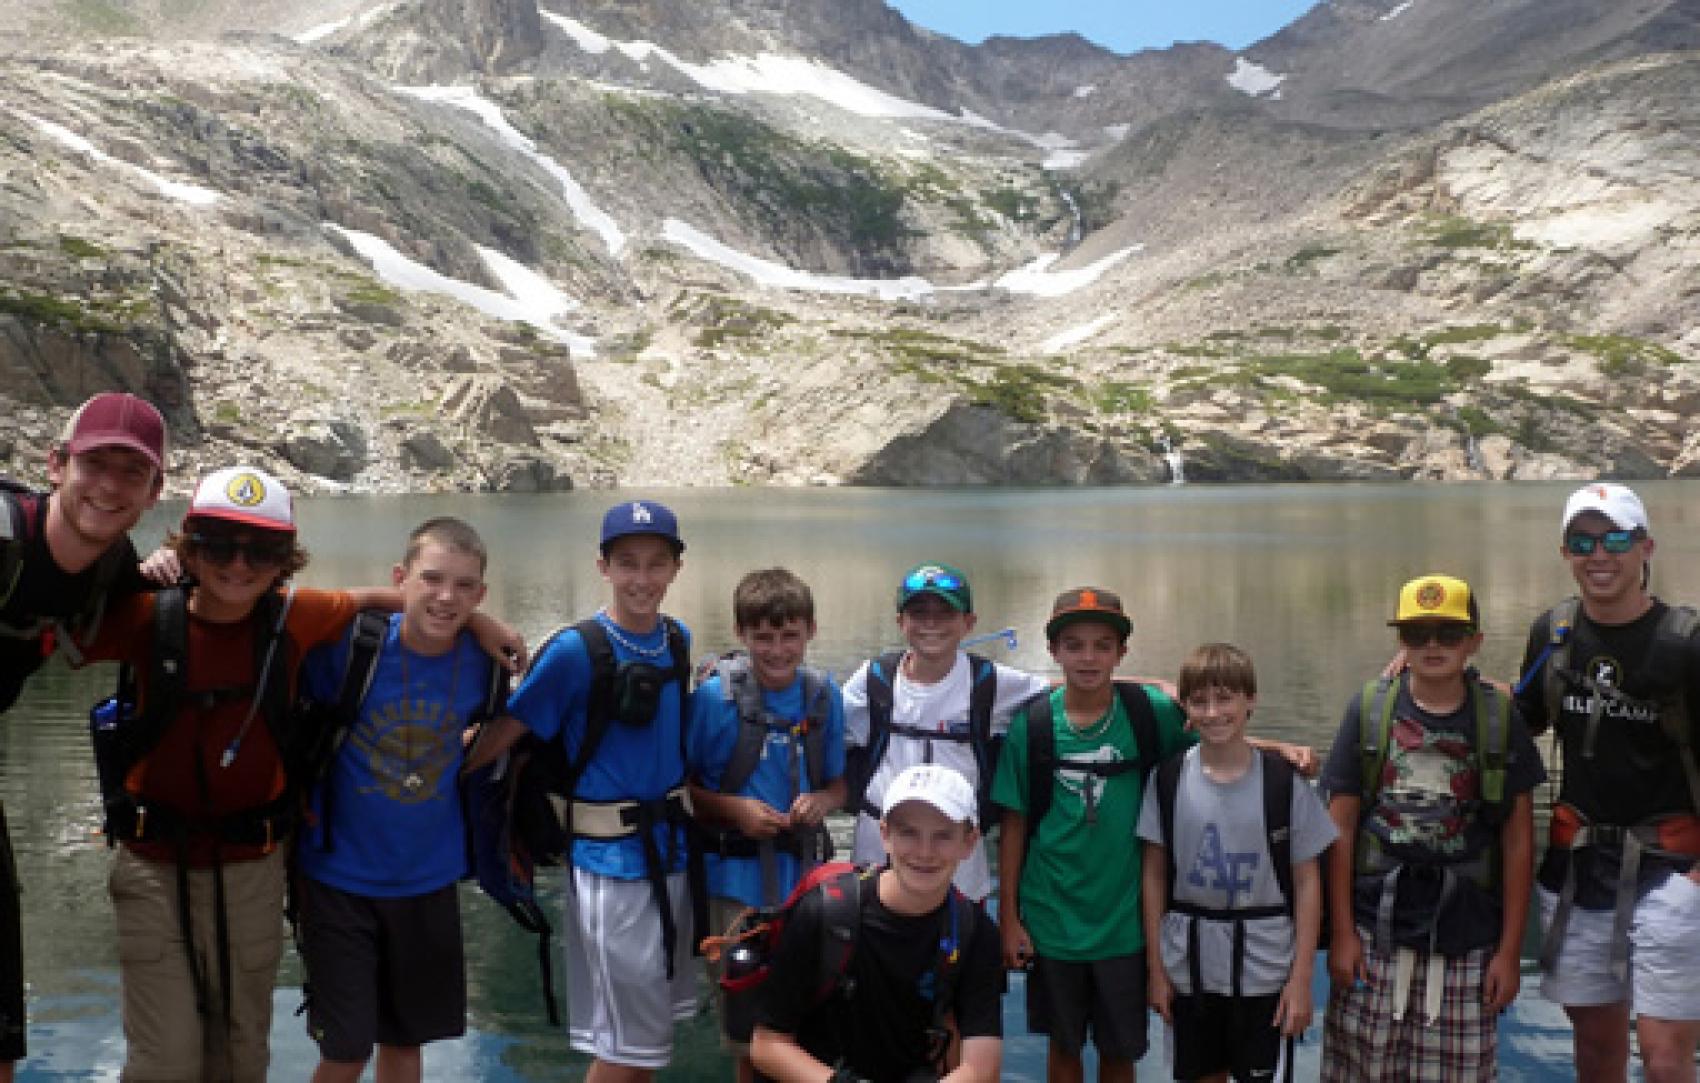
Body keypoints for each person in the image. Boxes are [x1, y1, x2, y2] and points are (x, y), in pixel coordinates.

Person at [74, 466, 518, 1081]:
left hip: (265, 864)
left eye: (260, 549)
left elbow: (388, 603)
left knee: (244, 1049)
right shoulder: (151, 615)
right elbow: (59, 621)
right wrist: (134, 572)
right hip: (171, 862)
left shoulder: (296, 617)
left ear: (284, 558)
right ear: (190, 545)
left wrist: (475, 619)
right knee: (171, 1056)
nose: (238, 563)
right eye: (219, 544)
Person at [473, 499, 697, 1080]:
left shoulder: (677, 640)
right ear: (603, 567)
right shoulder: (575, 651)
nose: (642, 579)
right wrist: (427, 766)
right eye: (627, 563)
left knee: (646, 1042)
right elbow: (505, 737)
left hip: (671, 858)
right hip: (607, 867)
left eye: (655, 563)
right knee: (628, 1047)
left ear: (676, 567)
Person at [295, 518, 503, 1083]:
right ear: (399, 579)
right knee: (344, 1050)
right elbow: (283, 613)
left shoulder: (486, 665)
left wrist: (480, 626)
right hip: (337, 878)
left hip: (427, 881)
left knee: (406, 1045)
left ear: (481, 594)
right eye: (431, 580)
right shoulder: (351, 648)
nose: (446, 597)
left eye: (465, 587)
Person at [0, 392, 167, 1081]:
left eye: (132, 472)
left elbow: (237, 592)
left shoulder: (113, 566)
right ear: (56, 463)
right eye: (96, 463)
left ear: (156, 490)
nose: (109, 486)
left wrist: (470, 623)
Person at [1321, 574, 1542, 1082]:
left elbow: (1517, 842)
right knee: (1361, 1066)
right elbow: (1341, 828)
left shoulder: (1498, 719)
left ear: (1474, 641)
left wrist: (1510, 952)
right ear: (1401, 641)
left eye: (1449, 632)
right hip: (1375, 928)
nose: (1433, 645)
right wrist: (1341, 934)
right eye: (1418, 634)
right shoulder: (1370, 710)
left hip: (1468, 933)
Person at [1514, 483, 1700, 1083]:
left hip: (1673, 868)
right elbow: (1524, 720)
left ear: (1645, 547)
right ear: (1565, 551)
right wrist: (1433, 679)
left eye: (1616, 539)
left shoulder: (1685, 643)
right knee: (1595, 1047)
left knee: (1666, 1055)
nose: (1600, 554)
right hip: (1579, 866)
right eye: (1583, 541)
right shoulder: (1555, 632)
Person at [993, 587, 1195, 1083]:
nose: (1088, 657)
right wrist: (1009, 917)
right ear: (1054, 651)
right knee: (1063, 1048)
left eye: (1102, 645)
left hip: (1124, 921)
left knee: (1119, 1051)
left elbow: (1215, 740)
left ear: (1121, 653)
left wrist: (1280, 750)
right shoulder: (1034, 727)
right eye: (1075, 645)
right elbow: (1014, 826)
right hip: (1052, 916)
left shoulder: (1150, 714)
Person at [1139, 642, 1335, 1083]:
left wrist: (1302, 978)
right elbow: (1153, 875)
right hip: (1189, 963)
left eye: (1225, 698)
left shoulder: (1284, 784)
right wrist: (1156, 970)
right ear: (1185, 709)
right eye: (1200, 701)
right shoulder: (1167, 779)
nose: (1213, 713)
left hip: (1265, 964)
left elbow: (1307, 883)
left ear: (1251, 700)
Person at [687, 568, 846, 1083]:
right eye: (763, 638)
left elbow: (841, 785)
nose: (777, 650)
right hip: (735, 886)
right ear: (741, 635)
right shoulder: (713, 701)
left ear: (810, 632)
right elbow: (684, 792)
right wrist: (736, 810)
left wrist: (822, 799)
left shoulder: (824, 698)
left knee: (806, 1018)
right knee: (747, 1030)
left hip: (806, 882)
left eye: (789, 636)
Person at [750, 763, 1004, 1083]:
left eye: (942, 836)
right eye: (908, 832)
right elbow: (767, 1044)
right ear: (884, 835)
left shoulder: (976, 933)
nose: (924, 852)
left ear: (969, 843)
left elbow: (982, 1067)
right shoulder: (823, 913)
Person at [842, 562, 1050, 902]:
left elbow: (1062, 691)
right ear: (900, 622)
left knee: (957, 942)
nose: (931, 624)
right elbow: (827, 729)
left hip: (959, 859)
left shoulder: (990, 683)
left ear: (968, 623)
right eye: (919, 613)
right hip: (879, 850)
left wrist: (1150, 686)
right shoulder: (874, 679)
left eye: (945, 613)